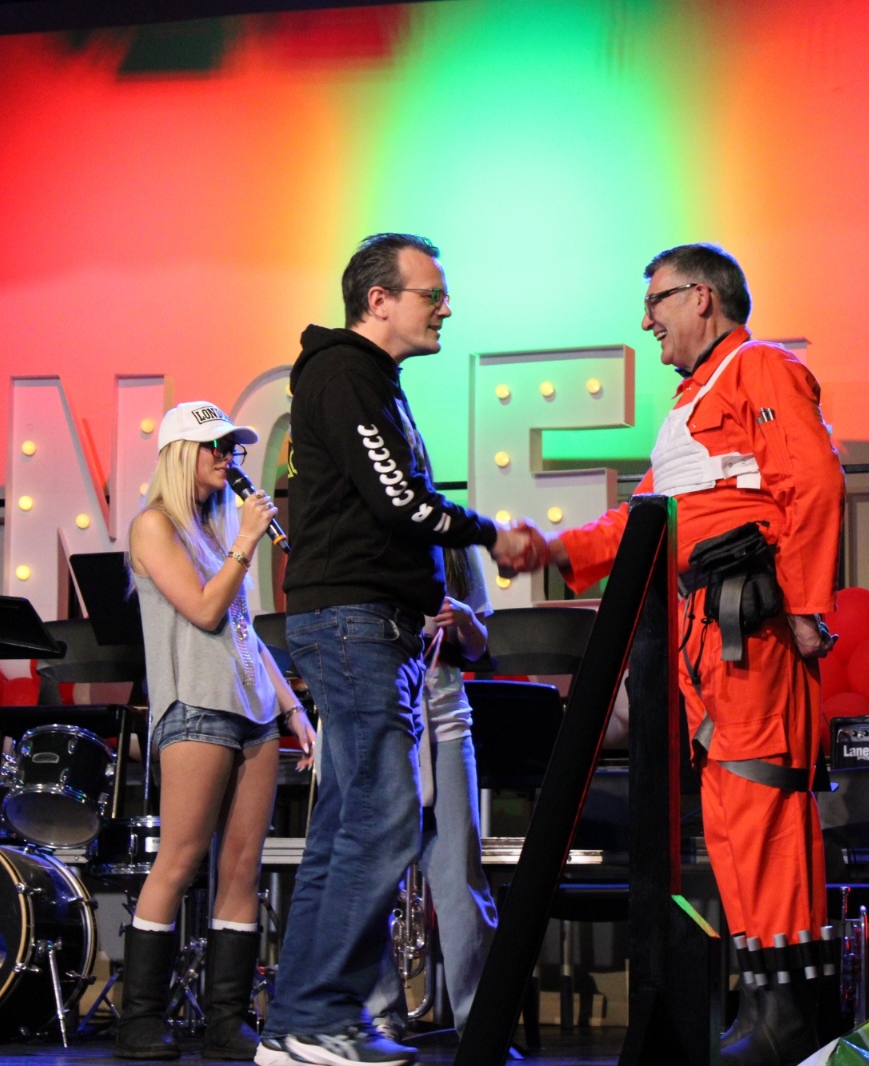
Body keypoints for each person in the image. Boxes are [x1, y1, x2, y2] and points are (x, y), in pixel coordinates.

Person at [512, 243, 845, 1064]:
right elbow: (646, 520)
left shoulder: (759, 368)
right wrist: (555, 548)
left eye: (656, 301)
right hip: (706, 640)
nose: (645, 320)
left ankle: (787, 1020)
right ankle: (764, 1009)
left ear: (702, 297)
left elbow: (810, 479)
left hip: (751, 632)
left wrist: (806, 605)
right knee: (731, 813)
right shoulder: (691, 405)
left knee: (762, 800)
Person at [256, 234, 537, 1066]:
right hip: (356, 625)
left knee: (348, 827)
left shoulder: (368, 380)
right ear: (378, 300)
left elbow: (393, 497)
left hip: (363, 625)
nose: (446, 308)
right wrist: (489, 534)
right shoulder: (345, 373)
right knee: (382, 821)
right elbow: (398, 500)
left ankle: (297, 1026)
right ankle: (318, 1019)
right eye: (431, 294)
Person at [118, 401, 317, 1061]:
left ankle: (226, 1022)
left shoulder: (216, 531)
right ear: (182, 454)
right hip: (197, 708)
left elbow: (242, 633)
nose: (228, 459)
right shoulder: (154, 525)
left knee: (241, 867)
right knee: (179, 860)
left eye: (232, 447)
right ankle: (141, 1020)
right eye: (215, 447)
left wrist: (291, 709)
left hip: (254, 713)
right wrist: (245, 544)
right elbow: (204, 612)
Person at [365, 546, 498, 1041]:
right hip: (378, 723)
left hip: (444, 724)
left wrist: (464, 619)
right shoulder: (369, 536)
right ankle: (381, 1015)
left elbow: (478, 646)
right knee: (370, 877)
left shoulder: (458, 546)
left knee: (460, 877)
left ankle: (477, 1020)